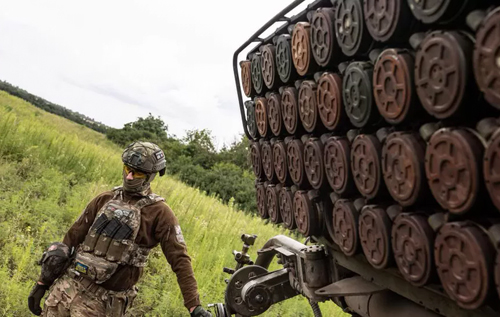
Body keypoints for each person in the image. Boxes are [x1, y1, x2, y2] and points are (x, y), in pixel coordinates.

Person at [28, 141, 212, 317]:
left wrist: (193, 305)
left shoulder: (160, 213)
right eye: (127, 169)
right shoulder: (105, 199)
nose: (129, 176)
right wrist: (43, 282)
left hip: (103, 303)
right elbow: (70, 240)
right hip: (67, 288)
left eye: (137, 173)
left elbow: (180, 260)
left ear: (150, 176)